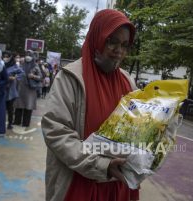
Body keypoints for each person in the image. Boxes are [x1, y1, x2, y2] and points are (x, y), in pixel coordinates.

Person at [41, 9, 139, 201]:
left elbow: (138, 129)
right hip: (78, 185)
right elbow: (57, 132)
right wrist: (102, 166)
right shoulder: (70, 78)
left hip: (118, 186)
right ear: (97, 38)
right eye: (112, 41)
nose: (119, 51)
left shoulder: (128, 82)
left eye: (125, 45)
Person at [13, 50, 42, 134]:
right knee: (19, 105)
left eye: (29, 54)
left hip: (30, 89)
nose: (28, 56)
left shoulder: (35, 66)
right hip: (21, 88)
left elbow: (40, 77)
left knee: (28, 106)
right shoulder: (21, 64)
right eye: (26, 54)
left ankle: (26, 123)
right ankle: (17, 121)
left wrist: (33, 76)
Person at [6, 54, 24, 129]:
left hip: (11, 90)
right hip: (2, 89)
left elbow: (22, 73)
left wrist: (15, 77)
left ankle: (10, 123)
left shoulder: (15, 67)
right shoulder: (3, 65)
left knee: (10, 108)